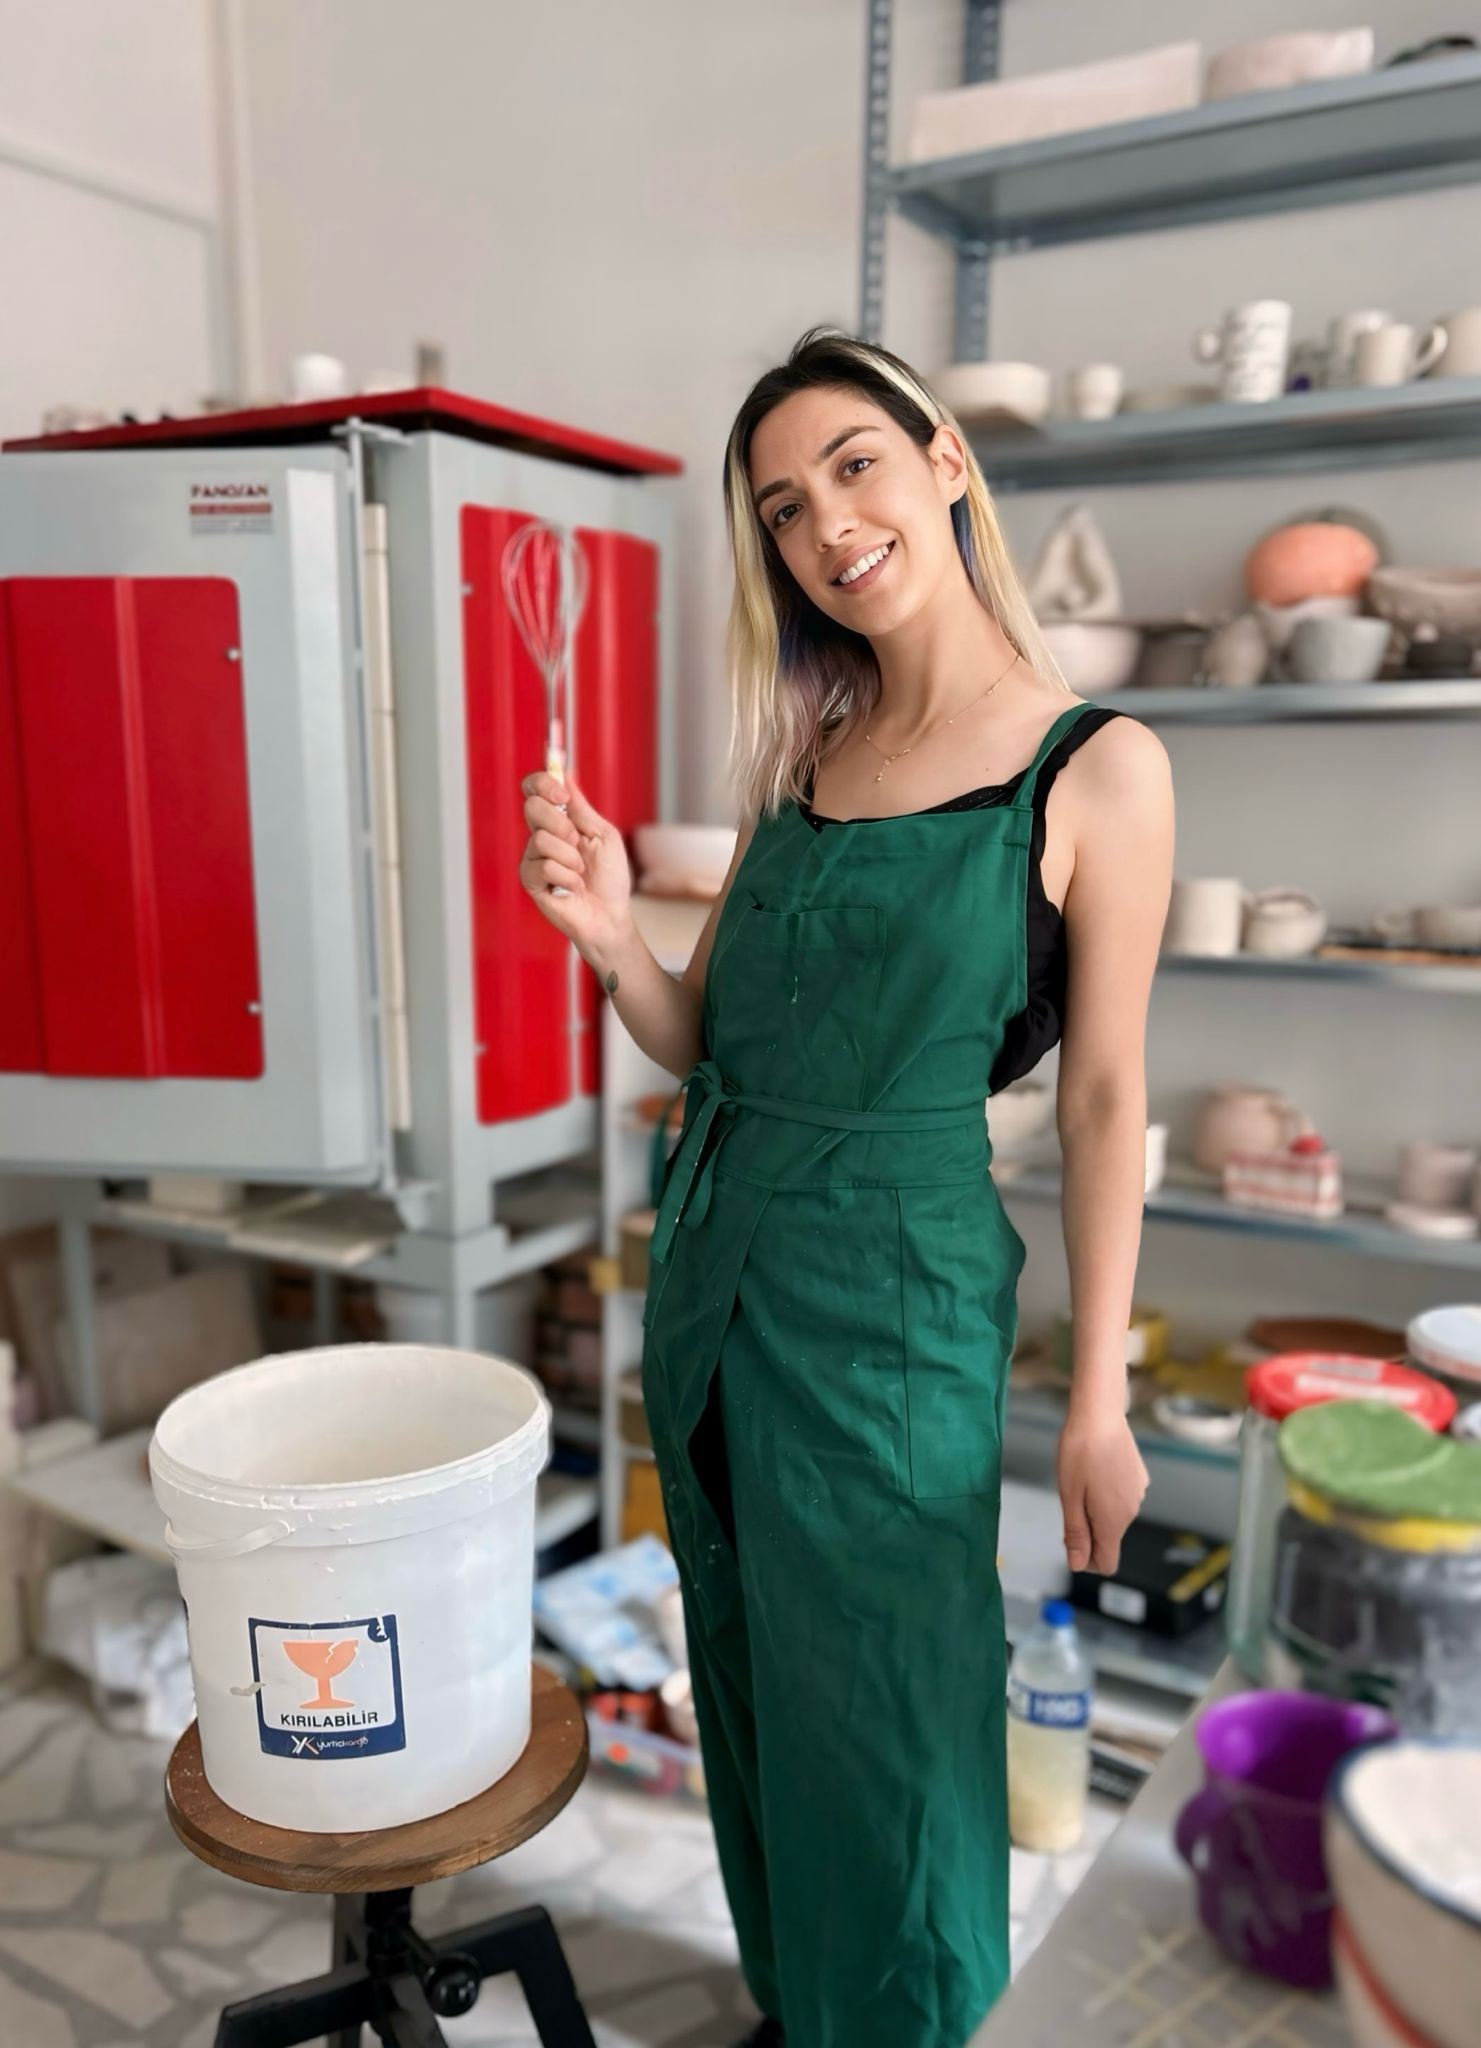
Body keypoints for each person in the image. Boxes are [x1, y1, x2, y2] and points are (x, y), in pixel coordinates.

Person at [519, 326, 1171, 2048]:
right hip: (721, 1273)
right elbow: (701, 1036)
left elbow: (1104, 1101)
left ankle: (908, 2021)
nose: (827, 527)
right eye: (783, 507)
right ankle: (803, 2003)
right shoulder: (800, 755)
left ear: (945, 460)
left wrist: (1097, 1396)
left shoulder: (1091, 765)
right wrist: (605, 934)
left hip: (891, 1299)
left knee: (890, 1704)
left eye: (855, 468)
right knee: (746, 1674)